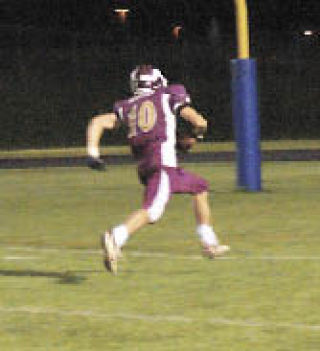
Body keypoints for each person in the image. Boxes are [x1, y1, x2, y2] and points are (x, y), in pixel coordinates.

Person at [86, 64, 230, 274]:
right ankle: (115, 237)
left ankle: (209, 242)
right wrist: (197, 134)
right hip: (162, 166)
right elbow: (199, 121)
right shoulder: (168, 94)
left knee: (199, 187)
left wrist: (93, 153)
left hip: (148, 167)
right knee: (152, 211)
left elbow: (97, 122)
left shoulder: (128, 106)